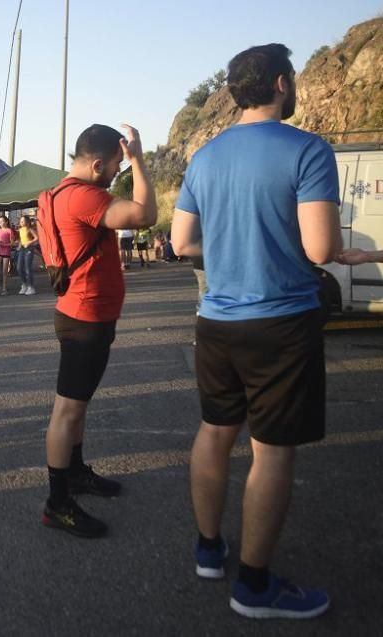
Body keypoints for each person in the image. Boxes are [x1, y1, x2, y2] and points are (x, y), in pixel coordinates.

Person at [171, 43, 342, 620]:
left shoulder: (205, 157)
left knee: (215, 431)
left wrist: (230, 247)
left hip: (217, 321)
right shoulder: (308, 150)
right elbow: (320, 248)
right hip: (282, 323)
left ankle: (208, 549)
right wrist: (356, 254)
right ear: (278, 83)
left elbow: (180, 244)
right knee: (271, 454)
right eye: (291, 79)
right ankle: (255, 586)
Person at [37, 123, 156, 537]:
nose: (117, 175)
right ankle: (57, 502)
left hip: (82, 313)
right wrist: (140, 159)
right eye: (117, 167)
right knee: (67, 410)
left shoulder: (59, 194)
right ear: (98, 163)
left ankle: (74, 473)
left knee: (77, 405)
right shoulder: (85, 195)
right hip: (84, 318)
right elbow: (145, 215)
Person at [16, 215, 38, 295]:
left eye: (23, 221)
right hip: (22, 249)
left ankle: (31, 287)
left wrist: (29, 243)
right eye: (20, 221)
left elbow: (36, 238)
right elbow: (21, 240)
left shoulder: (30, 229)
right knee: (19, 267)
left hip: (29, 249)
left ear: (27, 222)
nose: (21, 222)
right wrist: (19, 246)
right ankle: (24, 284)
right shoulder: (20, 230)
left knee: (27, 268)